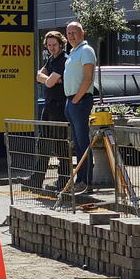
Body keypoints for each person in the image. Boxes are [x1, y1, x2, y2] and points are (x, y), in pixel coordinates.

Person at [25, 31, 70, 190]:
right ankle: (36, 179)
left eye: (54, 45)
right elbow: (39, 76)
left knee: (60, 146)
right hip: (49, 106)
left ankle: (63, 180)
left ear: (61, 44)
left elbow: (49, 82)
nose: (51, 48)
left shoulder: (63, 59)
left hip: (58, 108)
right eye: (49, 45)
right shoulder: (52, 59)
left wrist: (49, 79)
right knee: (43, 144)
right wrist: (49, 78)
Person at [64, 22, 96, 194]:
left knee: (83, 143)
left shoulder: (86, 50)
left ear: (82, 33)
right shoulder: (73, 52)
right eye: (68, 33)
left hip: (80, 101)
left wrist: (76, 99)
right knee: (77, 144)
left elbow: (88, 78)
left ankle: (85, 181)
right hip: (72, 102)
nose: (71, 36)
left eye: (74, 32)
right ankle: (80, 179)